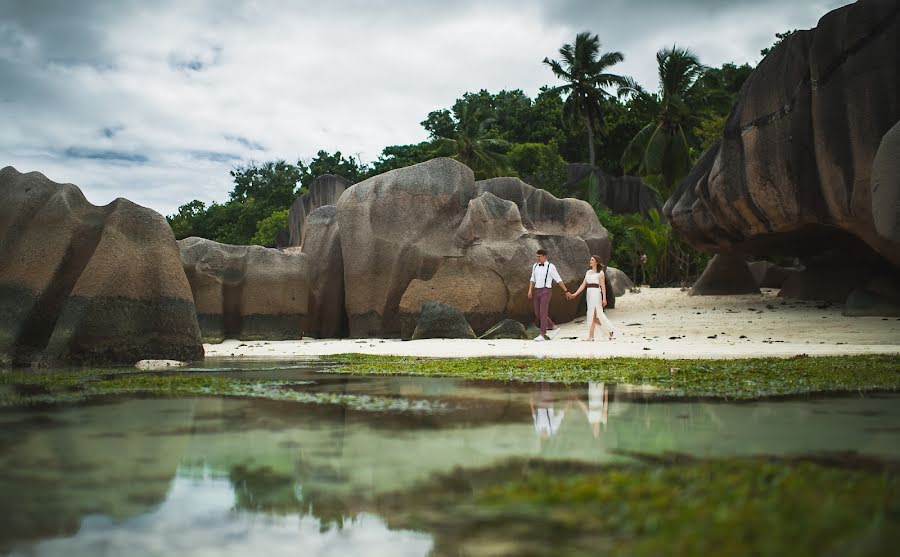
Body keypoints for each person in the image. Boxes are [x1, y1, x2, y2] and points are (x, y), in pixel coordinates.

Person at [567, 255, 616, 341]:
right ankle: (609, 330)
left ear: (596, 262)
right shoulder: (588, 272)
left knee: (596, 314)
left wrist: (604, 298)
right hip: (589, 293)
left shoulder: (600, 273)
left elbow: (603, 286)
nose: (590, 261)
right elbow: (583, 285)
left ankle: (591, 336)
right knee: (592, 315)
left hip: (596, 293)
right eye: (590, 260)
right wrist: (575, 293)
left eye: (592, 260)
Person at [528, 249, 570, 341]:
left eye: (539, 256)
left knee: (543, 313)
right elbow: (532, 279)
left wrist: (566, 291)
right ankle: (554, 327)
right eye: (537, 256)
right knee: (537, 313)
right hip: (536, 291)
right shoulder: (535, 266)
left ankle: (542, 334)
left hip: (546, 291)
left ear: (544, 256)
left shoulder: (551, 266)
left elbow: (558, 279)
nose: (537, 258)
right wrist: (530, 290)